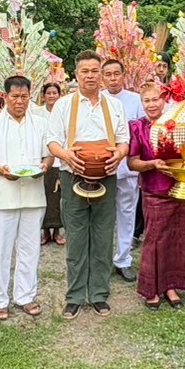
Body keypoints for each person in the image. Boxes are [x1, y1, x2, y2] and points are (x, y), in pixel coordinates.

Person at [45, 51, 128, 320]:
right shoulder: (64, 105)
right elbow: (52, 141)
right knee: (77, 237)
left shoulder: (114, 106)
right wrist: (67, 155)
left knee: (103, 236)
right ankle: (75, 295)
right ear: (76, 73)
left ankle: (100, 293)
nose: (90, 76)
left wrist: (119, 154)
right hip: (72, 176)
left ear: (101, 74)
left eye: (95, 71)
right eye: (85, 71)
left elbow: (124, 140)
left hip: (106, 174)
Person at [128, 82, 185, 308]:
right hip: (154, 191)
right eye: (147, 100)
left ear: (164, 100)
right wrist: (152, 164)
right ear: (141, 103)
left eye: (156, 99)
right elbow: (132, 163)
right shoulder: (137, 127)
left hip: (180, 190)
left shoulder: (177, 125)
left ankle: (171, 286)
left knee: (177, 240)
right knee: (154, 240)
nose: (152, 104)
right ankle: (151, 289)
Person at [0, 76, 48, 320]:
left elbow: (49, 155)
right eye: (14, 97)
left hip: (33, 194)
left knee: (30, 248)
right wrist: (2, 171)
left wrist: (45, 166)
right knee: (0, 250)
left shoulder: (40, 122)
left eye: (24, 97)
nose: (19, 101)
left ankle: (25, 296)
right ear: (5, 97)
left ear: (30, 96)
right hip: (3, 196)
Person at [101, 59, 145, 283]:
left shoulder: (135, 100)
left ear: (123, 75)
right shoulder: (96, 99)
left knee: (126, 213)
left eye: (116, 73)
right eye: (107, 74)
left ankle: (123, 259)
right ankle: (102, 260)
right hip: (102, 167)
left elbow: (141, 134)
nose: (112, 78)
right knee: (103, 215)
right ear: (102, 77)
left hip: (128, 168)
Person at [38, 81, 65, 247]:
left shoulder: (63, 111)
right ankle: (45, 231)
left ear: (59, 95)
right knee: (44, 196)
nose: (51, 96)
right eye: (48, 93)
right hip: (42, 159)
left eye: (54, 93)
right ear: (43, 96)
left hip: (59, 160)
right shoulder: (37, 113)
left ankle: (58, 230)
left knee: (58, 198)